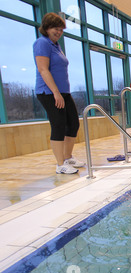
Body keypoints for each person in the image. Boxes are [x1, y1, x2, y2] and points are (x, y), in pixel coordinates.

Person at [33, 12, 85, 174]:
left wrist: (61, 93)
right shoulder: (41, 43)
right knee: (58, 125)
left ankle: (68, 156)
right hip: (48, 92)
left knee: (74, 124)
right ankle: (60, 164)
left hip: (63, 92)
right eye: (56, 29)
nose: (59, 32)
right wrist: (55, 92)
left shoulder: (56, 45)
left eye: (61, 30)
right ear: (47, 28)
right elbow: (43, 69)